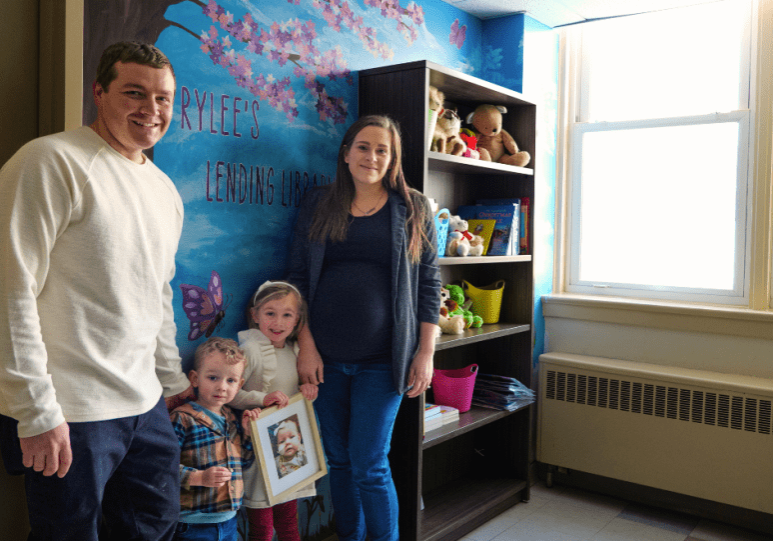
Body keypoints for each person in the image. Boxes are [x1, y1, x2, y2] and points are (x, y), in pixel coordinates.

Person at [0, 41, 194, 540]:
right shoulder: (50, 161)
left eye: (164, 99)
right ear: (99, 93)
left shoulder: (165, 190)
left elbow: (158, 294)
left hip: (144, 404)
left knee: (155, 527)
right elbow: (9, 290)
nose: (151, 110)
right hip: (71, 410)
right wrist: (35, 409)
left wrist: (171, 383)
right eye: (135, 93)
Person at [286, 115, 442, 541]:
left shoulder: (412, 208)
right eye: (363, 147)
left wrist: (425, 353)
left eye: (382, 150)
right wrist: (306, 346)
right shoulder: (318, 203)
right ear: (346, 152)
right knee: (339, 460)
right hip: (327, 359)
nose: (371, 157)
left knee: (369, 464)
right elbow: (297, 278)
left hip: (383, 361)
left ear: (392, 160)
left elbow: (430, 283)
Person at [230, 280, 318, 541]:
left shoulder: (296, 351)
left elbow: (293, 400)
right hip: (259, 450)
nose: (278, 322)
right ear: (255, 315)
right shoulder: (252, 350)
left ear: (297, 320)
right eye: (270, 313)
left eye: (287, 315)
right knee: (262, 525)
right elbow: (231, 394)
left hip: (288, 450)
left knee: (289, 520)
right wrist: (262, 398)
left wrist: (308, 394)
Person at [170, 337, 261, 541]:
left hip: (229, 520)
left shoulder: (231, 418)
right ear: (194, 379)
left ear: (240, 385)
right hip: (192, 523)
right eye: (213, 378)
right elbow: (163, 468)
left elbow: (244, 463)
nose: (222, 387)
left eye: (231, 380)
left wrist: (247, 433)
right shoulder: (182, 418)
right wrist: (199, 478)